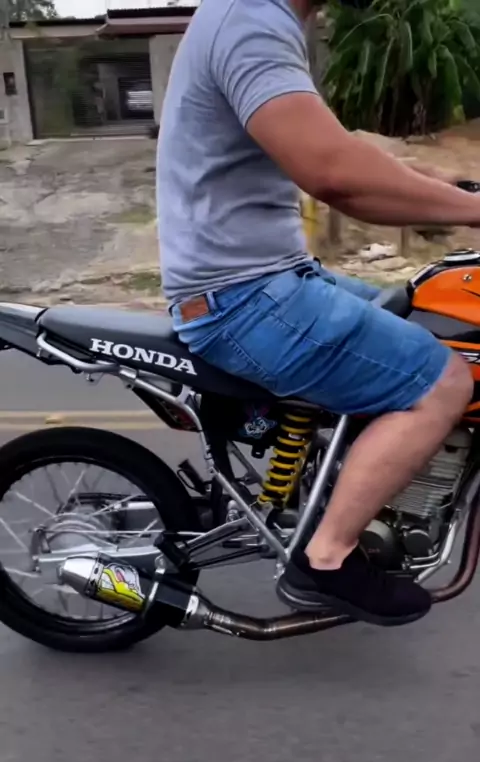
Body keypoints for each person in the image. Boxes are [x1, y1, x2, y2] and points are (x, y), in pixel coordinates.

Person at [156, 0, 477, 627]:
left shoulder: (257, 18)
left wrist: (453, 188)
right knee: (443, 382)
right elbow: (334, 174)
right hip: (242, 296)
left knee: (422, 314)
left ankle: (355, 498)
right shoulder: (249, 21)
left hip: (269, 277)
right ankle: (325, 558)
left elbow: (339, 149)